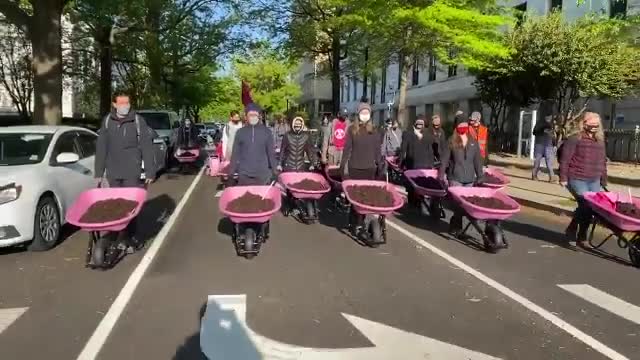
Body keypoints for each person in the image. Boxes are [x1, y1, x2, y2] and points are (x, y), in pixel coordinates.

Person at [95, 91, 155, 252]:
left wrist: (150, 171)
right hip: (113, 171)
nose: (125, 107)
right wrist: (98, 173)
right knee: (115, 205)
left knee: (130, 205)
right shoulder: (107, 121)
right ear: (114, 104)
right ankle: (116, 233)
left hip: (132, 171)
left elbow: (147, 147)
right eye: (121, 103)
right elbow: (101, 148)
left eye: (127, 103)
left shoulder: (137, 121)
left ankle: (129, 236)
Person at [559, 112, 607, 247]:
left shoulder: (600, 140)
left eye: (597, 125)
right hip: (577, 177)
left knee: (591, 209)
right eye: (591, 124)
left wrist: (604, 179)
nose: (594, 127)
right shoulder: (575, 138)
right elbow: (565, 159)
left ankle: (577, 233)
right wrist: (563, 177)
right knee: (586, 205)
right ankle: (577, 233)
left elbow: (602, 161)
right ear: (584, 124)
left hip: (594, 179)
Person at [340, 101, 384, 236]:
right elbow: (347, 150)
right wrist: (343, 168)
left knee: (366, 198)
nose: (365, 115)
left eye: (367, 113)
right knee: (356, 198)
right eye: (362, 113)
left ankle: (362, 220)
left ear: (370, 115)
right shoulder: (352, 129)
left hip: (369, 169)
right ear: (358, 115)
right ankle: (355, 221)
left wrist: (381, 167)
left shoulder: (375, 131)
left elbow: (377, 151)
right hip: (355, 168)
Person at [439, 115, 483, 235]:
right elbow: (444, 160)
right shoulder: (451, 141)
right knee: (458, 204)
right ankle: (456, 225)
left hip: (469, 178)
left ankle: (457, 223)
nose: (463, 127)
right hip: (455, 177)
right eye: (460, 125)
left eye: (465, 125)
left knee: (467, 205)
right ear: (456, 127)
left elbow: (477, 160)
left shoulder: (473, 142)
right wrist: (441, 175)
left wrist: (480, 175)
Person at [227, 103, 277, 186]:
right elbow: (235, 155)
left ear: (259, 116)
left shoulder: (267, 132)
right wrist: (231, 174)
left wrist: (275, 172)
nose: (253, 117)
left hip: (263, 175)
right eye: (250, 115)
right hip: (244, 175)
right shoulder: (240, 132)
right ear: (246, 116)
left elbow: (271, 154)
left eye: (255, 115)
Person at [532, 115, 556, 182]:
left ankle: (552, 177)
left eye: (550, 116)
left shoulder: (552, 124)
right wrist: (543, 130)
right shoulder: (539, 123)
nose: (549, 118)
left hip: (548, 145)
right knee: (537, 160)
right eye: (548, 116)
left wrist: (554, 144)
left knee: (549, 161)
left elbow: (553, 136)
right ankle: (534, 175)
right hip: (539, 144)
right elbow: (534, 132)